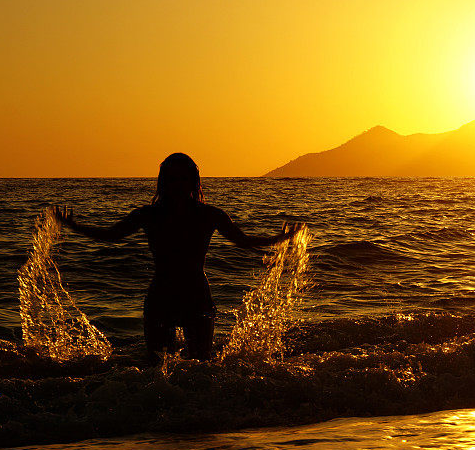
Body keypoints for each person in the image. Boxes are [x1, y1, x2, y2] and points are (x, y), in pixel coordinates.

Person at [53, 153, 303, 363]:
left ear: (194, 182)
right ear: (163, 183)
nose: (178, 184)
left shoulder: (209, 214)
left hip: (197, 295)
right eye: (172, 179)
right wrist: (74, 226)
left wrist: (278, 240)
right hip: (161, 295)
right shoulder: (149, 214)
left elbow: (243, 241)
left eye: (184, 179)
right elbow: (111, 236)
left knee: (202, 364)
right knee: (156, 364)